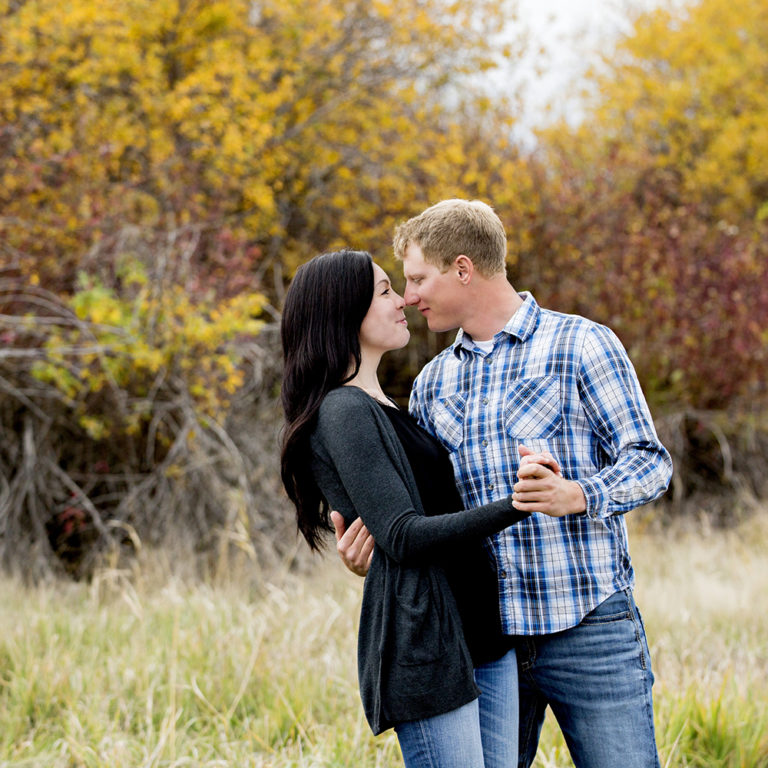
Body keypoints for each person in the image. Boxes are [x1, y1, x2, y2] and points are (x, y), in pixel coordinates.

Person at [333, 200, 674, 768]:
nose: (410, 296)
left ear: (463, 269)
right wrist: (381, 556)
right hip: (484, 644)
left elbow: (650, 461)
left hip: (588, 627)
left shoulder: (582, 345)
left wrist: (580, 495)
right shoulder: (432, 383)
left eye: (418, 278)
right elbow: (427, 519)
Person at [280, 248, 559, 768]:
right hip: (429, 647)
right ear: (345, 313)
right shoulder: (343, 412)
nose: (403, 300)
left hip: (482, 634)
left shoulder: (392, 407)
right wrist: (520, 504)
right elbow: (403, 535)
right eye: (385, 291)